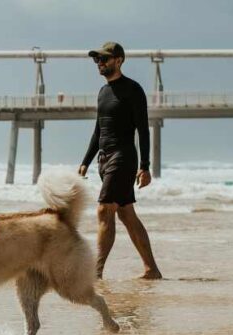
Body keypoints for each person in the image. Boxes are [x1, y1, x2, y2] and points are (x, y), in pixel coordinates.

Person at [78, 42, 162, 280]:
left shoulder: (133, 90)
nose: (100, 63)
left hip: (123, 157)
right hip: (104, 159)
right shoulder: (103, 92)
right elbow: (99, 129)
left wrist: (145, 166)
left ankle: (95, 272)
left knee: (104, 209)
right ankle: (152, 269)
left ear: (119, 60)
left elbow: (143, 130)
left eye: (104, 59)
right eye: (97, 60)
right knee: (126, 214)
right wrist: (86, 160)